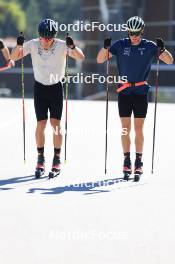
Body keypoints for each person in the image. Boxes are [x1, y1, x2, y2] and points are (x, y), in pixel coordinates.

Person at [97, 16, 173, 181]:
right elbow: (100, 59)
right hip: (124, 92)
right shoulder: (121, 45)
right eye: (131, 33)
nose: (134, 36)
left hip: (140, 92)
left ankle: (138, 161)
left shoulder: (149, 46)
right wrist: (105, 47)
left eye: (137, 33)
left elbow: (169, 60)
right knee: (125, 128)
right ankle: (126, 160)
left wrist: (163, 49)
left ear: (142, 31)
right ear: (128, 31)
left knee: (138, 128)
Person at [11, 19, 85, 178]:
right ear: (39, 36)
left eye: (49, 38)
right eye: (43, 38)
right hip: (40, 88)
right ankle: (40, 158)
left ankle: (57, 158)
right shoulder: (32, 44)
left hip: (56, 88)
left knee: (56, 124)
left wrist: (72, 46)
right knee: (41, 123)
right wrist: (18, 46)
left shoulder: (60, 45)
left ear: (54, 36)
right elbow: (14, 58)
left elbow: (81, 57)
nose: (45, 41)